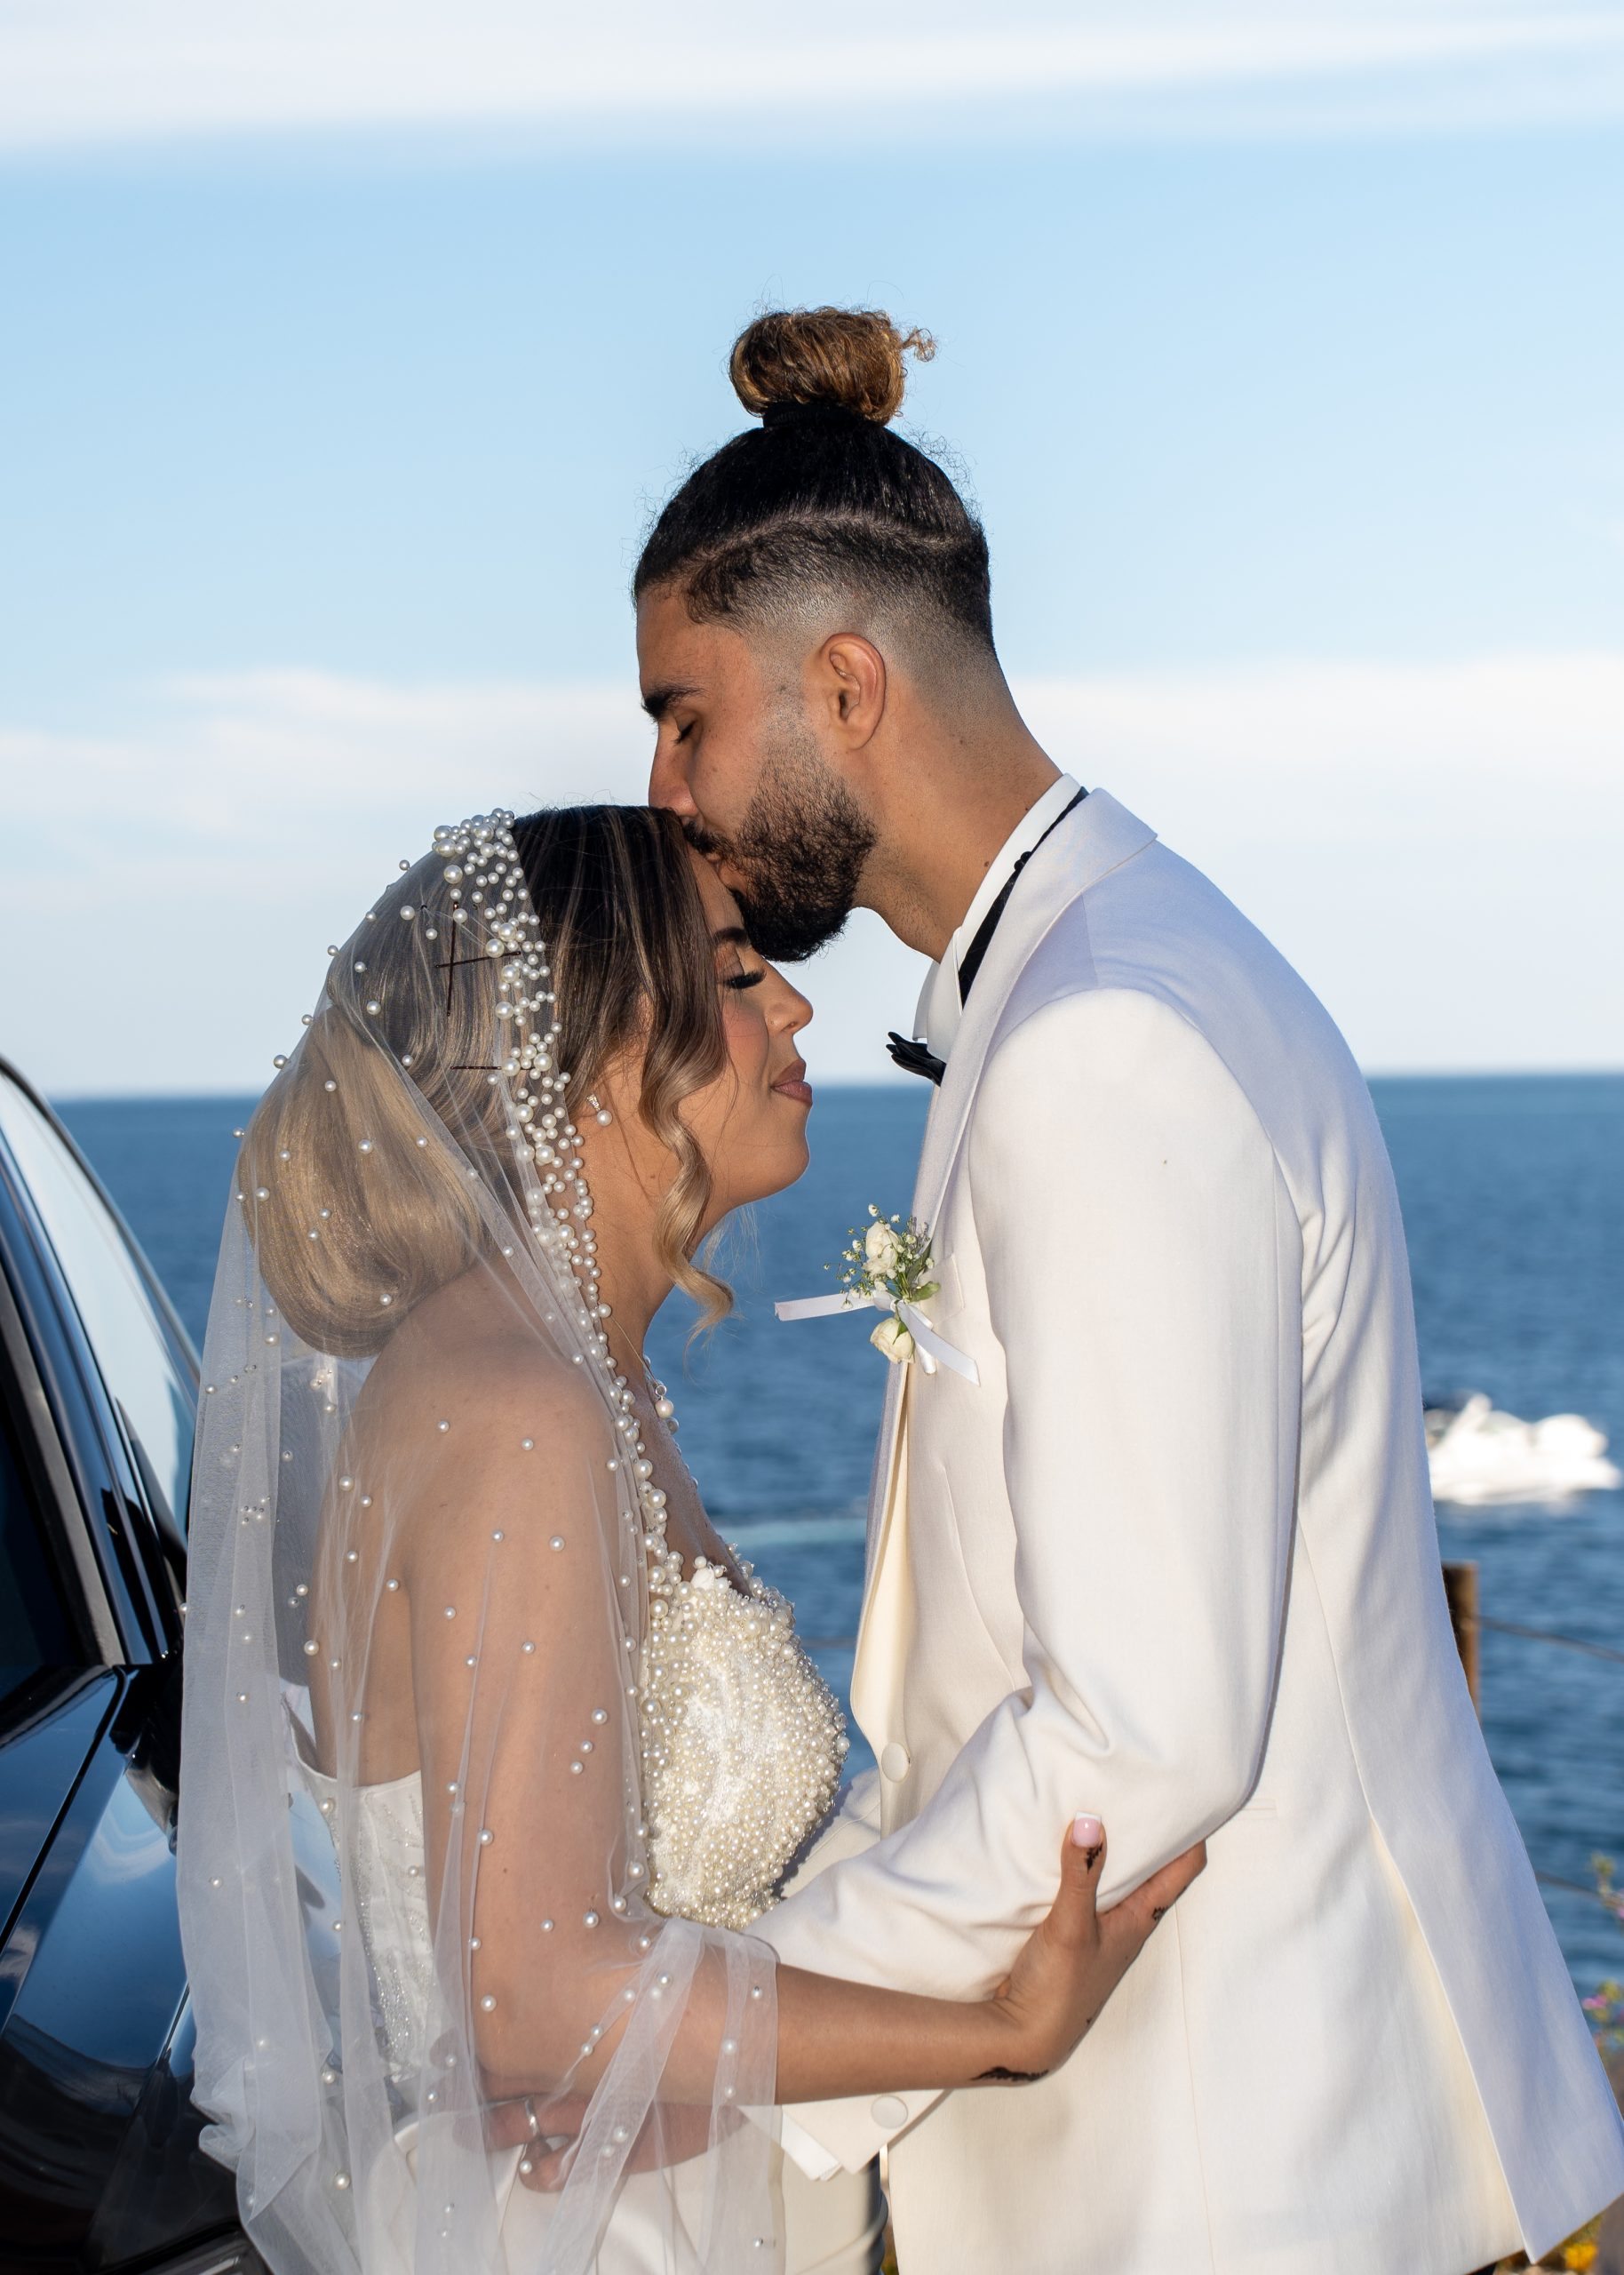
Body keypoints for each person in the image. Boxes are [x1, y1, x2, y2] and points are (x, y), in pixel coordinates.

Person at [639, 305, 1624, 2275]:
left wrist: (748, 2039)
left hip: (1263, 2185)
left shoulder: (1105, 1039)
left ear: (845, 686)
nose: (662, 787)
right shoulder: (1107, 971)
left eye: (684, 717)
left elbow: (1140, 1727)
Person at [176, 802, 1202, 2275]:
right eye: (733, 973)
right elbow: (534, 1994)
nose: (794, 1006)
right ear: (592, 1054)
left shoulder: (561, 1381)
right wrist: (995, 2031)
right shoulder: (519, 1411)